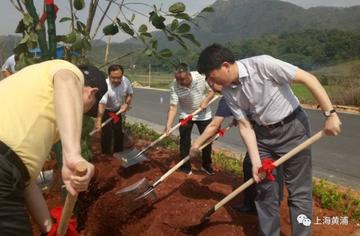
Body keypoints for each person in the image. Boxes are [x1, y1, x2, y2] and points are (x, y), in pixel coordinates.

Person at [197, 44, 341, 236]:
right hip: (262, 137)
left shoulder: (263, 65)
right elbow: (245, 126)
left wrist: (330, 114)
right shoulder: (227, 91)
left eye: (211, 76)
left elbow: (308, 78)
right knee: (265, 192)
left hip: (293, 129)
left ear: (225, 66)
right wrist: (256, 161)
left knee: (299, 192)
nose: (210, 83)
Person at [0, 60, 107, 235]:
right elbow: (67, 80)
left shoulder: (30, 96)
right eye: (87, 109)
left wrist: (50, 229)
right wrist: (72, 154)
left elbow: (27, 182)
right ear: (91, 93)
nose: (82, 113)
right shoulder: (68, 72)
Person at [189, 98, 284, 213]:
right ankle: (270, 200)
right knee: (273, 163)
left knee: (252, 165)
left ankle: (253, 205)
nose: (212, 89)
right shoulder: (240, 89)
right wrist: (239, 117)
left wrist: (196, 144)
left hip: (262, 132)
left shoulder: (227, 98)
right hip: (274, 128)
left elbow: (214, 126)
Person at [165, 63, 215, 176]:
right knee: (184, 141)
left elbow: (212, 90)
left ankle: (206, 165)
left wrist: (206, 101)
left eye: (182, 79)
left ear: (189, 74)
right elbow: (173, 107)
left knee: (207, 140)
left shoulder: (200, 77)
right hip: (186, 115)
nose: (180, 82)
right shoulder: (174, 85)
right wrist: (168, 125)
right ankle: (185, 167)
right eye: (178, 79)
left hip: (204, 114)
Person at [95, 64, 133, 155]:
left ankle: (118, 152)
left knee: (118, 132)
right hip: (106, 111)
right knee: (107, 133)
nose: (116, 80)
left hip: (117, 111)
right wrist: (99, 120)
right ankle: (106, 154)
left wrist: (126, 104)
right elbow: (102, 103)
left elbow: (130, 94)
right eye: (113, 78)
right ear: (109, 76)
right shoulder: (105, 85)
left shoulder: (126, 81)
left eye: (119, 78)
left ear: (122, 75)